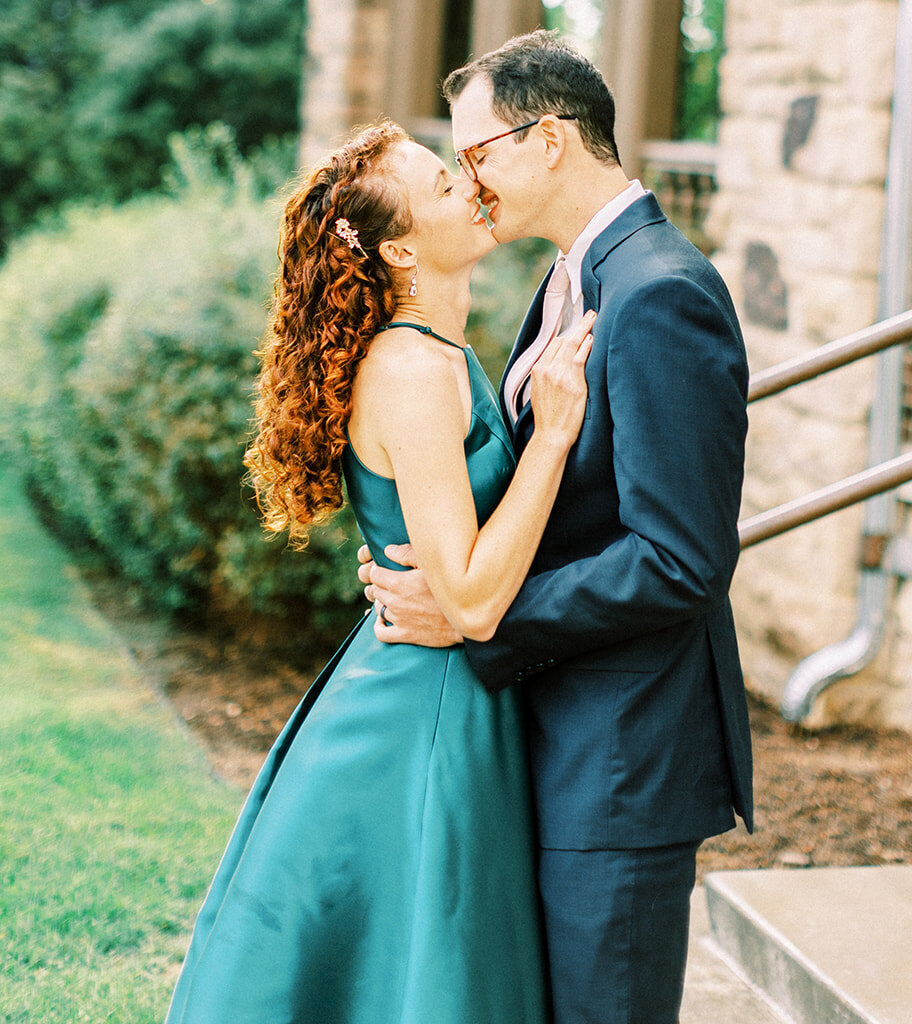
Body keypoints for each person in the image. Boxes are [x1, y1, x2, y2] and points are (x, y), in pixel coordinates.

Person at [359, 31, 753, 1024]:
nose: (468, 178)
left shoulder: (659, 291)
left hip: (621, 763)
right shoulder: (578, 276)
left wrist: (478, 616)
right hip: (559, 738)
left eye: (477, 153)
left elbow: (679, 559)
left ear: (546, 140)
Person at [166, 119, 594, 1024]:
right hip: (423, 710)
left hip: (439, 690)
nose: (469, 188)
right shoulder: (408, 370)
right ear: (402, 247)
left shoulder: (439, 352)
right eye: (443, 186)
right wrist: (552, 438)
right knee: (417, 965)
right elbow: (473, 598)